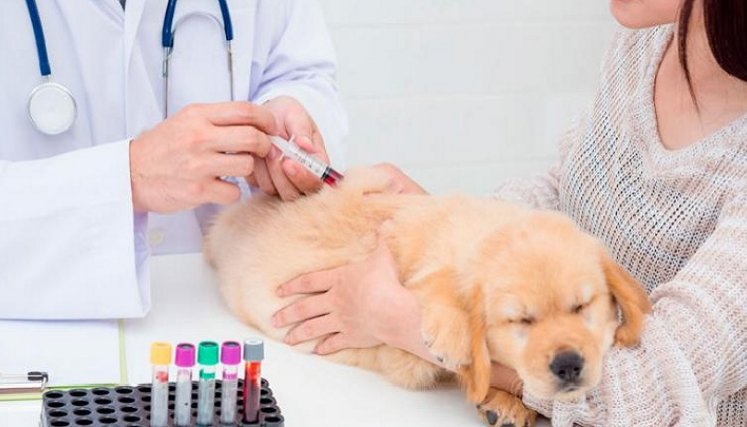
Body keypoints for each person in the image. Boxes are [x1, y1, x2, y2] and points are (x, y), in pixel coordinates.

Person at [271, 0, 747, 425]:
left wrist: (405, 324)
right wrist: (450, 220)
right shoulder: (645, 42)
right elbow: (573, 188)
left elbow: (649, 397)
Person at [0, 0, 346, 318]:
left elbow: (300, 69)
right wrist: (129, 176)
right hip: (39, 323)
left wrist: (287, 106)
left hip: (225, 307)